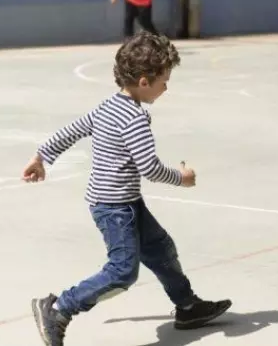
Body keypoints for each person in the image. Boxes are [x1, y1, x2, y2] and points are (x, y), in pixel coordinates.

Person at [25, 32, 231, 346]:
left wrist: (41, 156)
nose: (167, 87)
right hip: (115, 209)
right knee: (123, 271)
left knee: (161, 250)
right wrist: (182, 177)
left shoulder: (107, 106)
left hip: (123, 202)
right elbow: (149, 167)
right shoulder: (135, 118)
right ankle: (57, 308)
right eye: (164, 80)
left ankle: (188, 307)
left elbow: (71, 130)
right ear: (145, 81)